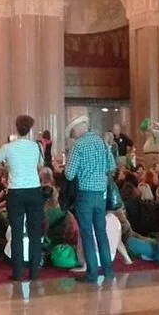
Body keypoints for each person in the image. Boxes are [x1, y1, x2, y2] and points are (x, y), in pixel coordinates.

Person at [0, 115, 43, 281]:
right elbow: (40, 164)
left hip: (16, 192)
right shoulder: (36, 146)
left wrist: (6, 164)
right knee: (34, 232)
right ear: (30, 129)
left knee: (17, 233)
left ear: (16, 128)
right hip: (34, 190)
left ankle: (17, 272)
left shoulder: (8, 147)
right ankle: (34, 271)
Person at [65, 115, 116, 283]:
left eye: (73, 133)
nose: (74, 136)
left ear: (78, 129)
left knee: (87, 234)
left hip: (85, 194)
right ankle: (108, 271)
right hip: (101, 194)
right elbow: (111, 166)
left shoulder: (78, 146)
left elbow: (69, 174)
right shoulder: (102, 142)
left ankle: (92, 273)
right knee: (101, 233)